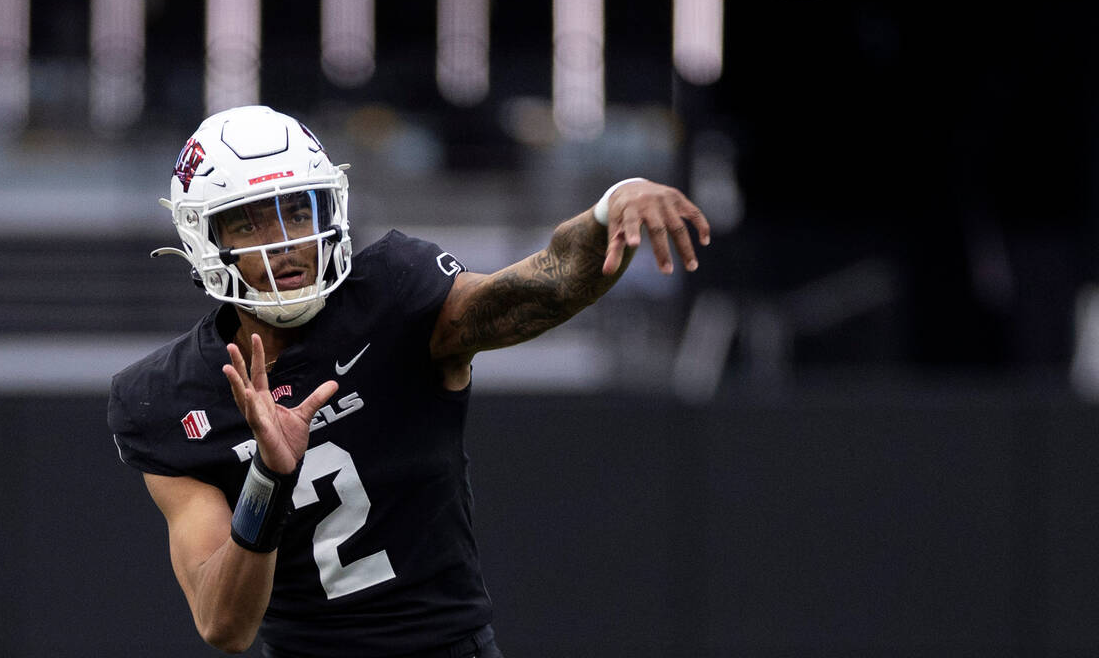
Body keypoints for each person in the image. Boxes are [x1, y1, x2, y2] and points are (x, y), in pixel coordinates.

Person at [108, 105, 710, 657]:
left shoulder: (393, 295)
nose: (286, 244)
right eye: (251, 223)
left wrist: (610, 209)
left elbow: (537, 288)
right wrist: (267, 478)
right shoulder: (165, 398)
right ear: (203, 240)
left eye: (298, 210)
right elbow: (224, 626)